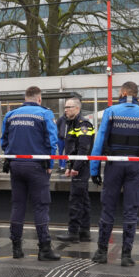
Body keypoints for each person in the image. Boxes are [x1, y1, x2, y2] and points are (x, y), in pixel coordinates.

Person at [90, 81, 139, 267]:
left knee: (108, 208)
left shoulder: (110, 112)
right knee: (131, 210)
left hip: (113, 165)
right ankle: (126, 255)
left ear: (122, 93)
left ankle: (102, 252)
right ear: (136, 94)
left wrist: (94, 170)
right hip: (135, 166)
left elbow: (99, 142)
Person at [0, 86, 60, 261]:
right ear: (39, 99)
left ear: (25, 98)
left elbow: (3, 140)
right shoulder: (45, 114)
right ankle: (44, 248)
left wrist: (10, 157)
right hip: (36, 167)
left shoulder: (11, 115)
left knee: (18, 206)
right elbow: (52, 140)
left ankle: (16, 248)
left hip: (15, 165)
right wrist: (50, 163)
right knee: (41, 206)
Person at [55, 97, 95, 245]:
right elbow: (71, 149)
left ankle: (73, 233)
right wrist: (68, 166)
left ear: (77, 108)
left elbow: (83, 150)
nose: (66, 110)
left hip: (82, 167)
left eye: (69, 107)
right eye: (65, 107)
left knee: (75, 200)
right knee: (83, 200)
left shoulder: (83, 125)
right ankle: (84, 232)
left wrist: (75, 169)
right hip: (78, 166)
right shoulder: (70, 124)